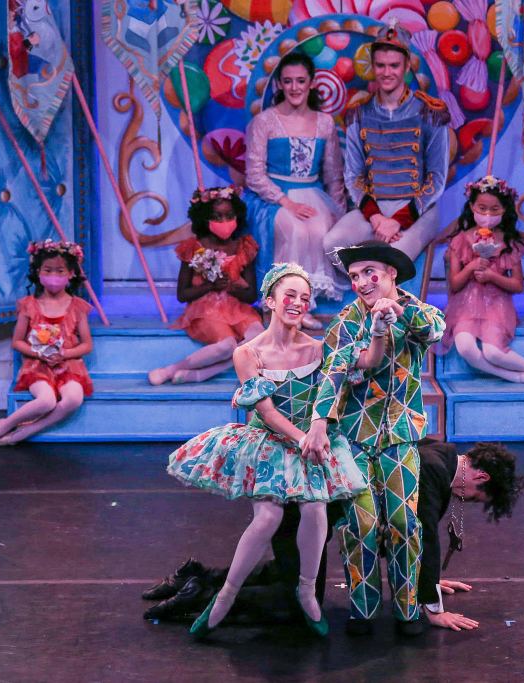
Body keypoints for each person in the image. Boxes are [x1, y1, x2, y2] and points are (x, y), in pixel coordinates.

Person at [165, 263, 368, 639]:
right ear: (270, 301)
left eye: (304, 298)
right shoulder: (248, 352)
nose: (297, 303)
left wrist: (380, 330)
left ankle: (307, 590)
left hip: (310, 441)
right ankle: (226, 595)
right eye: (289, 295)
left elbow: (339, 385)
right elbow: (267, 412)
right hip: (271, 442)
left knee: (315, 507)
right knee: (268, 518)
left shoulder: (318, 349)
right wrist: (303, 439)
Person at [141, 439, 524, 634]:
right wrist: (431, 604)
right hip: (304, 514)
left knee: (285, 572)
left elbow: (401, 536)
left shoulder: (435, 449)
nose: (466, 500)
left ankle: (195, 573)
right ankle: (197, 595)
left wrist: (423, 577)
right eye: (475, 497)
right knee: (291, 603)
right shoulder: (431, 470)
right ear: (480, 476)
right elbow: (420, 534)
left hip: (307, 512)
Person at [301, 240, 445, 636]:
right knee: (360, 523)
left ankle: (407, 610)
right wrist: (319, 421)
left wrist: (397, 310)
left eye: (370, 272)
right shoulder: (346, 322)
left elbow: (435, 330)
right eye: (354, 276)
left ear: (391, 273)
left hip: (400, 434)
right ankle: (362, 610)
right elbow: (335, 371)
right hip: (355, 436)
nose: (362, 282)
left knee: (403, 520)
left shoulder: (417, 311)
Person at [322, 22, 451, 261]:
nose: (386, 72)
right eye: (380, 65)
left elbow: (437, 178)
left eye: (394, 65)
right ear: (373, 67)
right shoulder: (359, 113)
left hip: (418, 208)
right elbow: (353, 176)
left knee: (393, 259)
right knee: (332, 244)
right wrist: (376, 217)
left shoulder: (429, 112)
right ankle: (361, 285)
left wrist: (399, 220)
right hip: (375, 208)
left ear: (407, 66)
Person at [245, 50, 347, 329]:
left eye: (300, 81)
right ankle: (284, 305)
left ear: (311, 83)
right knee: (296, 230)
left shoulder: (324, 122)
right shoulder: (265, 121)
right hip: (274, 197)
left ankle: (304, 304)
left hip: (314, 193)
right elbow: (254, 174)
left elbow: (333, 174)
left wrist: (338, 210)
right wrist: (286, 203)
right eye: (288, 81)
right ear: (279, 84)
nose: (294, 87)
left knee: (320, 230)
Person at [440, 175, 524, 383]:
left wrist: (492, 276)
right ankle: (516, 377)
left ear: (504, 210)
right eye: (482, 209)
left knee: (493, 352)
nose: (487, 215)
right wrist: (471, 266)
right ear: (472, 207)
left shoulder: (508, 242)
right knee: (466, 348)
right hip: (465, 306)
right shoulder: (460, 240)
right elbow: (454, 283)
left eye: (494, 210)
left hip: (496, 305)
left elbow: (517, 285)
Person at [0, 240, 93, 446]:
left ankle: (23, 432)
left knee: (73, 399)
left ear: (71, 273)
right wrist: (40, 354)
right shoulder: (29, 305)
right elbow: (17, 342)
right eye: (48, 270)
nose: (53, 275)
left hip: (68, 366)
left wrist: (64, 354)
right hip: (38, 366)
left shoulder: (77, 307)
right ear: (38, 272)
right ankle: (4, 425)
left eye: (60, 271)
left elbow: (87, 345)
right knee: (46, 401)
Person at [148, 187, 264, 385]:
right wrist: (210, 286)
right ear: (204, 218)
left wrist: (231, 287)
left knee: (259, 341)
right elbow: (182, 294)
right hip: (207, 309)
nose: (224, 222)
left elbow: (252, 294)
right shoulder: (194, 247)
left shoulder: (244, 246)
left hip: (238, 308)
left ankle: (201, 374)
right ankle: (170, 370)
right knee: (227, 346)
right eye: (217, 217)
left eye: (229, 216)